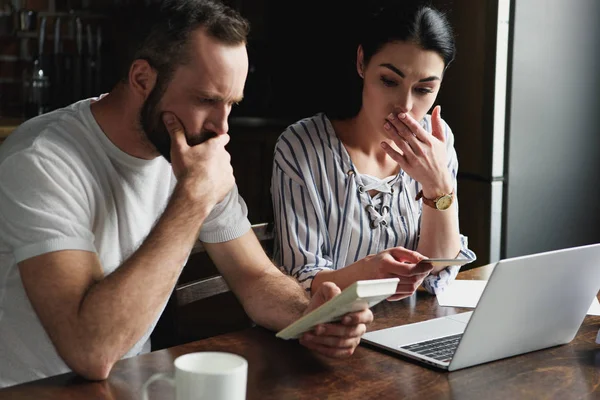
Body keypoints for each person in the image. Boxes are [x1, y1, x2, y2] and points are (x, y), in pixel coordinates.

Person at [0, 0, 372, 388]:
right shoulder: (40, 161)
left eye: (231, 104)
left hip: (124, 387)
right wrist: (193, 197)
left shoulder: (194, 148)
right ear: (142, 79)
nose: (221, 127)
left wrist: (312, 316)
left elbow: (255, 278)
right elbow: (92, 352)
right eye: (207, 100)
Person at [271, 0, 476, 299]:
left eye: (423, 89)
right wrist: (367, 273)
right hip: (329, 331)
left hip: (408, 325)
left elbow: (436, 269)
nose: (404, 106)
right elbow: (300, 280)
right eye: (389, 81)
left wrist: (438, 185)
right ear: (361, 62)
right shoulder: (301, 147)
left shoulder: (438, 140)